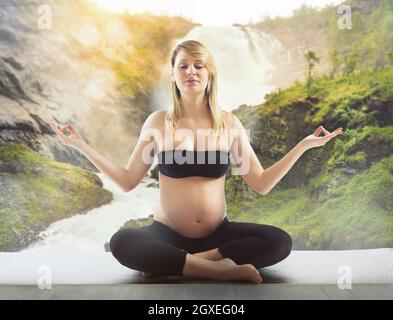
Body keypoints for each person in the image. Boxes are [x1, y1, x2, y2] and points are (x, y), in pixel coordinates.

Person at [50, 40, 343, 284]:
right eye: (183, 66)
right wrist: (80, 145)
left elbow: (261, 183)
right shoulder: (158, 123)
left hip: (218, 237)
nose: (191, 71)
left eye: (198, 65)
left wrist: (304, 146)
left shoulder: (229, 124)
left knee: (279, 241)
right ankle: (219, 270)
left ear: (209, 74)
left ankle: (185, 265)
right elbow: (128, 181)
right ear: (173, 76)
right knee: (122, 243)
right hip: (166, 236)